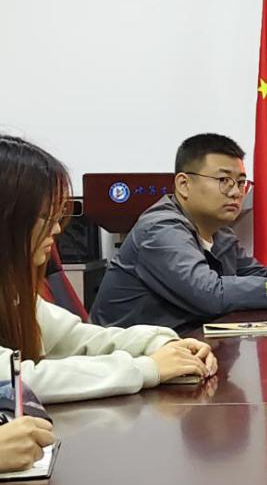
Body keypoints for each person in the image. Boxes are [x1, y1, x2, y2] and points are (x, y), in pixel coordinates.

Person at [0, 135, 216, 403]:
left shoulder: (12, 293)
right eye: (45, 216)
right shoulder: (160, 227)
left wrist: (162, 343)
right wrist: (147, 368)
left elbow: (79, 338)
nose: (56, 229)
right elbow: (17, 381)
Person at [91, 134, 267, 329]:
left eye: (241, 182)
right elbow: (209, 294)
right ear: (184, 184)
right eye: (224, 180)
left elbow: (256, 274)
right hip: (127, 363)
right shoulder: (160, 230)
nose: (236, 192)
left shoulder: (219, 233)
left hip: (184, 350)